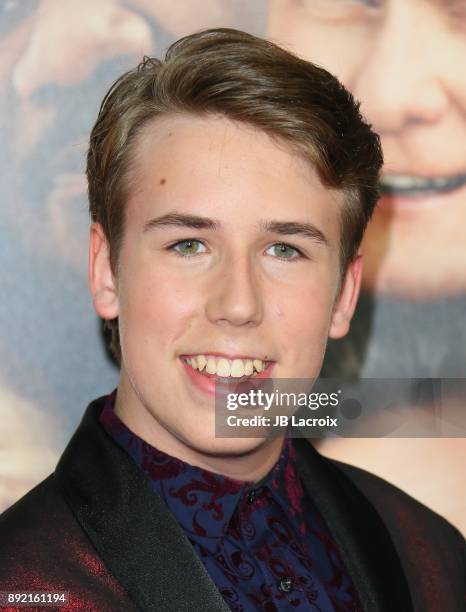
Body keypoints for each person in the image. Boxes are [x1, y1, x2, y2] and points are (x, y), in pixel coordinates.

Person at [0, 28, 463, 611]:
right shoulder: (19, 584)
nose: (238, 304)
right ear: (106, 272)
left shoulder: (431, 560)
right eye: (189, 244)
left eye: (285, 250)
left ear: (344, 293)